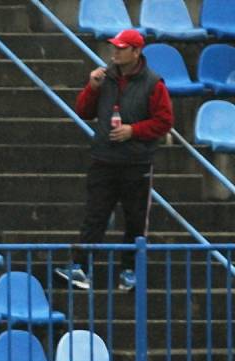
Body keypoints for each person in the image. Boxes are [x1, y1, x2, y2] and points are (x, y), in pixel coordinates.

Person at [55, 28, 173, 292]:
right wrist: (92, 87)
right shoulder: (104, 77)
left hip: (136, 162)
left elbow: (164, 122)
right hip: (104, 159)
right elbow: (84, 111)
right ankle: (81, 267)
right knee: (94, 215)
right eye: (114, 47)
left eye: (121, 48)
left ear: (136, 51)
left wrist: (134, 131)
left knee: (135, 218)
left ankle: (129, 269)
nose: (115, 52)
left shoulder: (154, 83)